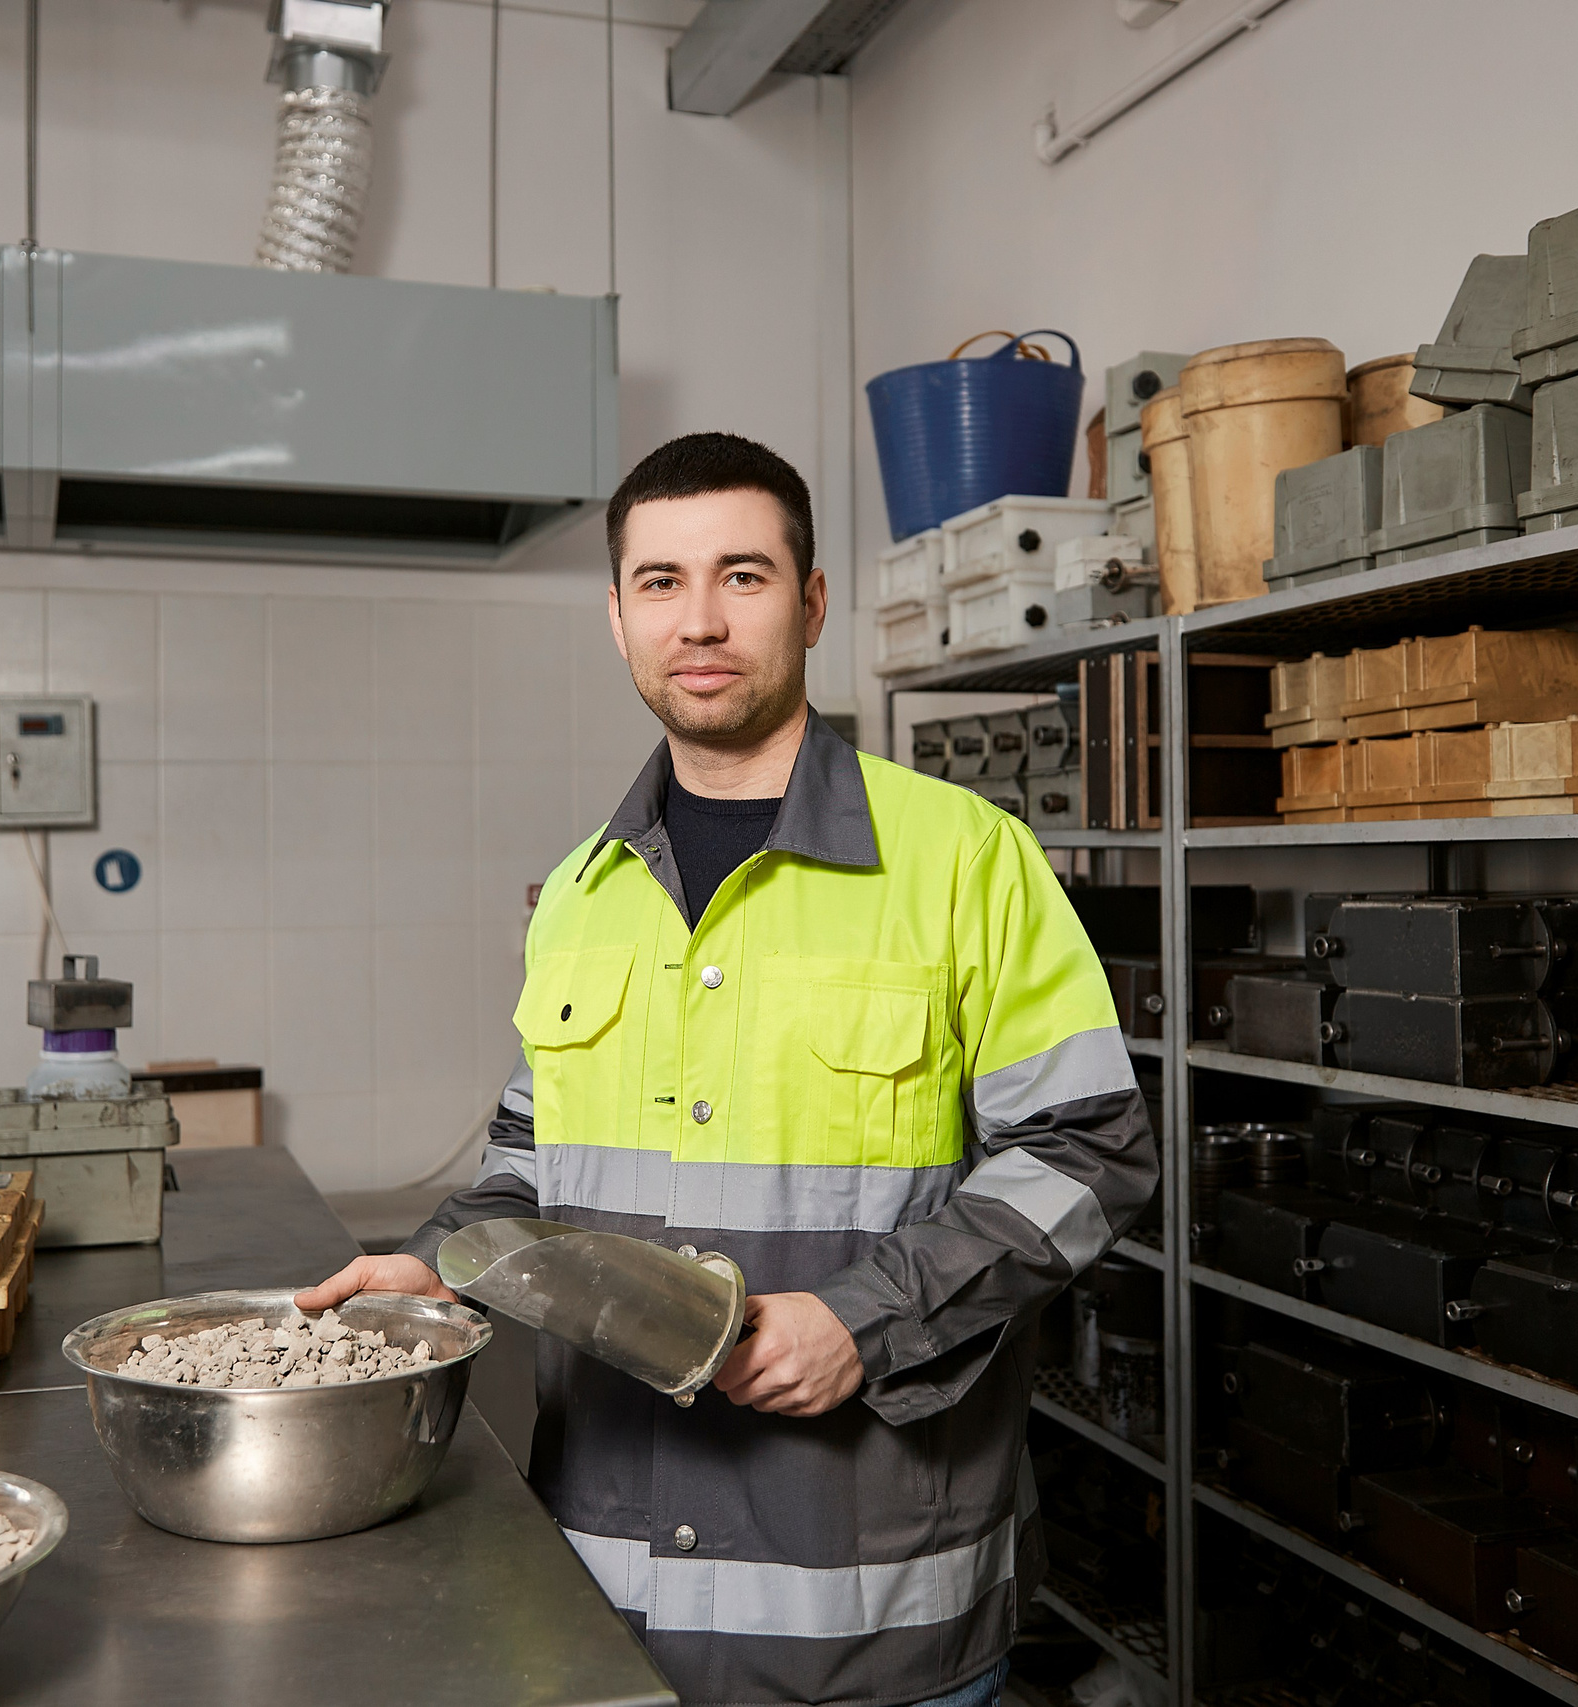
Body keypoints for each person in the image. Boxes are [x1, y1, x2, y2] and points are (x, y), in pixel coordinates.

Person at [300, 432, 1156, 1707]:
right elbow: (530, 1162)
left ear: (810, 601)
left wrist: (865, 1324)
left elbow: (1088, 1151)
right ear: (616, 615)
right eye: (660, 582)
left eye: (742, 576)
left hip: (869, 1617)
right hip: (599, 1590)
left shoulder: (963, 859)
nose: (699, 621)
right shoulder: (580, 895)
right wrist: (443, 1261)